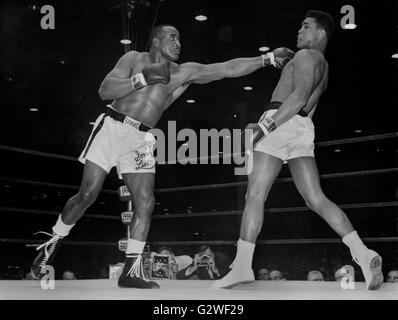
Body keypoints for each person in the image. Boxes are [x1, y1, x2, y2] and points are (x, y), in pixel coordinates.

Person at [30, 24, 294, 289]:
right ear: (156, 42)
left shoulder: (182, 72)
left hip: (141, 139)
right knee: (88, 194)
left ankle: (131, 270)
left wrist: (268, 59)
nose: (178, 43)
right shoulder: (133, 59)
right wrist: (142, 79)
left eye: (180, 38)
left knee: (145, 202)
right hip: (112, 127)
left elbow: (225, 68)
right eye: (173, 38)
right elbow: (105, 91)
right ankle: (53, 240)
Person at [213, 11, 384, 291]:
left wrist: (264, 128)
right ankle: (363, 253)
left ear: (321, 34)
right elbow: (307, 105)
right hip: (303, 126)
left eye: (305, 27)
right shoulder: (324, 65)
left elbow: (298, 96)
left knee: (254, 194)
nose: (299, 32)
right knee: (316, 198)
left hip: (282, 120)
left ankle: (242, 265)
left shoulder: (304, 57)